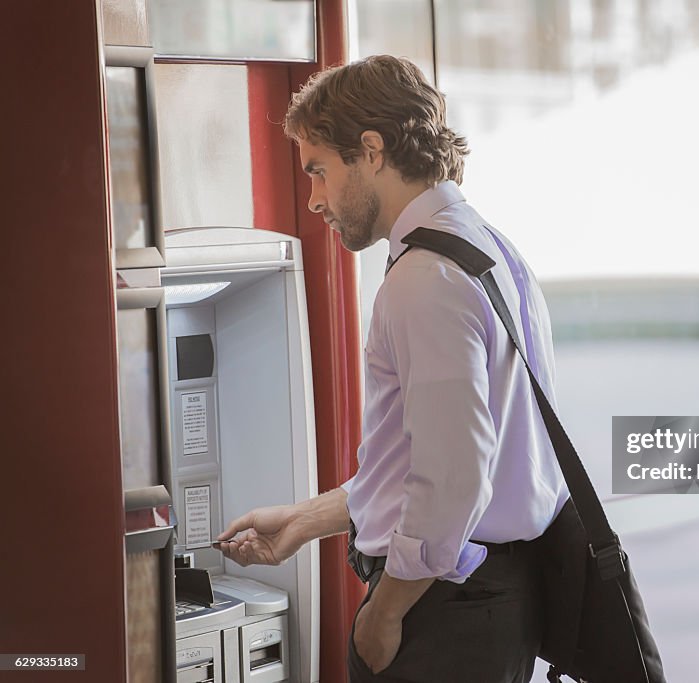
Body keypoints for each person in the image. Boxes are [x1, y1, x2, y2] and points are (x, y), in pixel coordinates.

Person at [217, 55, 569, 683]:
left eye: (319, 171)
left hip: (442, 614)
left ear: (372, 150)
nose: (315, 198)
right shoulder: (488, 247)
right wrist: (304, 520)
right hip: (486, 600)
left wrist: (385, 612)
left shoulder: (423, 281)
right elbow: (440, 464)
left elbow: (453, 480)